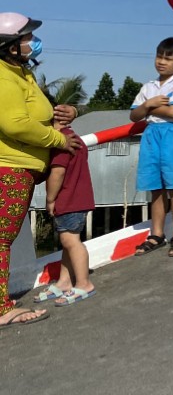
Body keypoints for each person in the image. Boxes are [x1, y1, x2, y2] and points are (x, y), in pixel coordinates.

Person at [0, 13, 81, 326]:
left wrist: (68, 112)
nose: (33, 42)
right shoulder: (4, 76)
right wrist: (58, 140)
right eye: (27, 37)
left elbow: (38, 112)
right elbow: (15, 124)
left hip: (19, 169)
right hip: (10, 168)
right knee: (1, 239)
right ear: (10, 45)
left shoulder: (20, 73)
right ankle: (2, 309)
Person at [130, 37, 173, 258]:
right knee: (156, 188)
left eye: (168, 59)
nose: (162, 62)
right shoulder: (148, 87)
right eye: (159, 57)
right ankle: (157, 234)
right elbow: (134, 115)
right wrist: (148, 104)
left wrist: (147, 108)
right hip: (152, 136)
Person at [37, 124, 96, 305]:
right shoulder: (76, 139)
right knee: (67, 241)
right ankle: (64, 281)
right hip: (79, 198)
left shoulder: (61, 142)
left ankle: (84, 284)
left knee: (71, 241)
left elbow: (58, 172)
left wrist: (50, 199)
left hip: (69, 199)